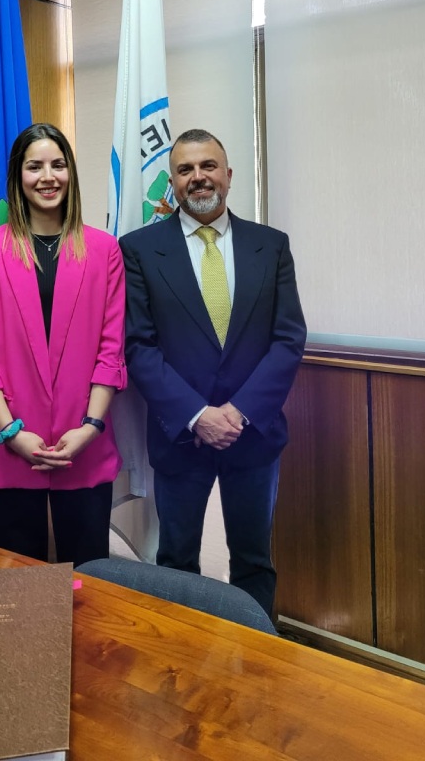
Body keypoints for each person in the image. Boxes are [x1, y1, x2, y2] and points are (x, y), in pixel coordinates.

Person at [119, 128, 306, 616]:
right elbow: (138, 346)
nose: (198, 177)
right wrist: (198, 415)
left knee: (254, 562)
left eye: (208, 166)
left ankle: (259, 652)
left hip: (254, 434)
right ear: (173, 182)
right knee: (176, 562)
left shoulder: (271, 245)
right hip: (181, 437)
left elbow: (288, 339)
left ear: (228, 175)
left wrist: (238, 413)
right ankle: (181, 656)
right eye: (185, 169)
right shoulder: (138, 249)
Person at [0, 122, 126, 566]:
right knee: (19, 588)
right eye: (35, 166)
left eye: (58, 165)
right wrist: (13, 434)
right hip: (10, 447)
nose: (48, 177)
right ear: (19, 176)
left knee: (91, 581)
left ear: (71, 173)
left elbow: (111, 353)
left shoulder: (104, 251)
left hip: (83, 444)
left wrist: (90, 427)